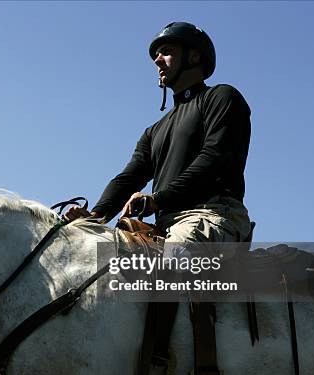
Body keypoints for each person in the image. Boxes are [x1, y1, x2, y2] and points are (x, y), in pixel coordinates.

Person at [65, 22, 252, 248]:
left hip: (210, 215)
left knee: (174, 262)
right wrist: (95, 217)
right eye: (156, 54)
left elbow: (215, 156)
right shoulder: (153, 131)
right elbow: (128, 179)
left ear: (193, 57)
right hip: (164, 223)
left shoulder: (221, 97)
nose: (157, 59)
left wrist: (157, 199)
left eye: (167, 52)